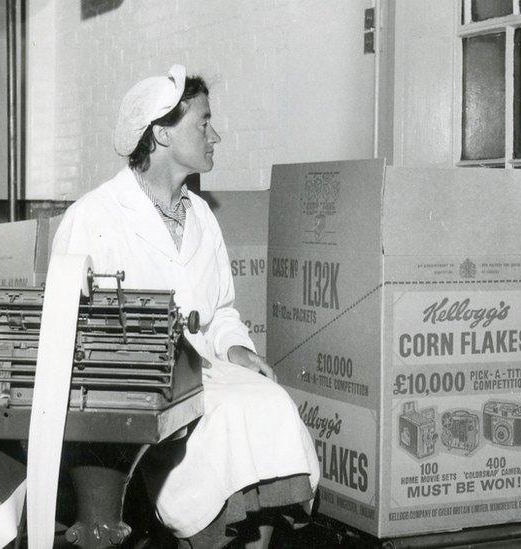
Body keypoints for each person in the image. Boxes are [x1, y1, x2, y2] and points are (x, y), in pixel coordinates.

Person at [51, 65, 320, 548]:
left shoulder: (199, 215)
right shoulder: (93, 216)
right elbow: (69, 329)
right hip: (135, 389)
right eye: (204, 122)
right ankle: (209, 533)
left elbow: (220, 313)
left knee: (270, 401)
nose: (215, 134)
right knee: (228, 419)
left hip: (205, 374)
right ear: (161, 133)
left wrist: (236, 348)